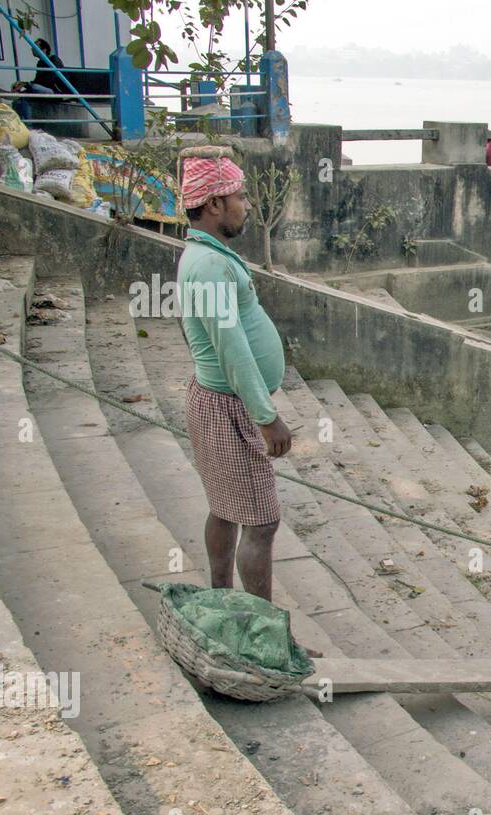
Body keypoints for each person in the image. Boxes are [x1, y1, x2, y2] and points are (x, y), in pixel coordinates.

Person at [177, 149, 292, 602]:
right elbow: (231, 347)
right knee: (260, 522)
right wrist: (265, 416)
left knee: (224, 509)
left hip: (220, 401)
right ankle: (264, 630)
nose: (247, 206)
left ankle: (222, 601)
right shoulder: (207, 266)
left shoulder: (208, 257)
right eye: (239, 197)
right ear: (213, 206)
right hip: (228, 406)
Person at [12, 39, 67, 121]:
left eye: (35, 47)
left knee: (34, 87)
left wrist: (28, 85)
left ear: (44, 50)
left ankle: (29, 124)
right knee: (20, 99)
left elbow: (50, 80)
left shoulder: (54, 60)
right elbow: (37, 81)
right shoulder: (40, 63)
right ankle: (23, 124)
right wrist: (22, 84)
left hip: (55, 91)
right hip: (43, 89)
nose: (32, 49)